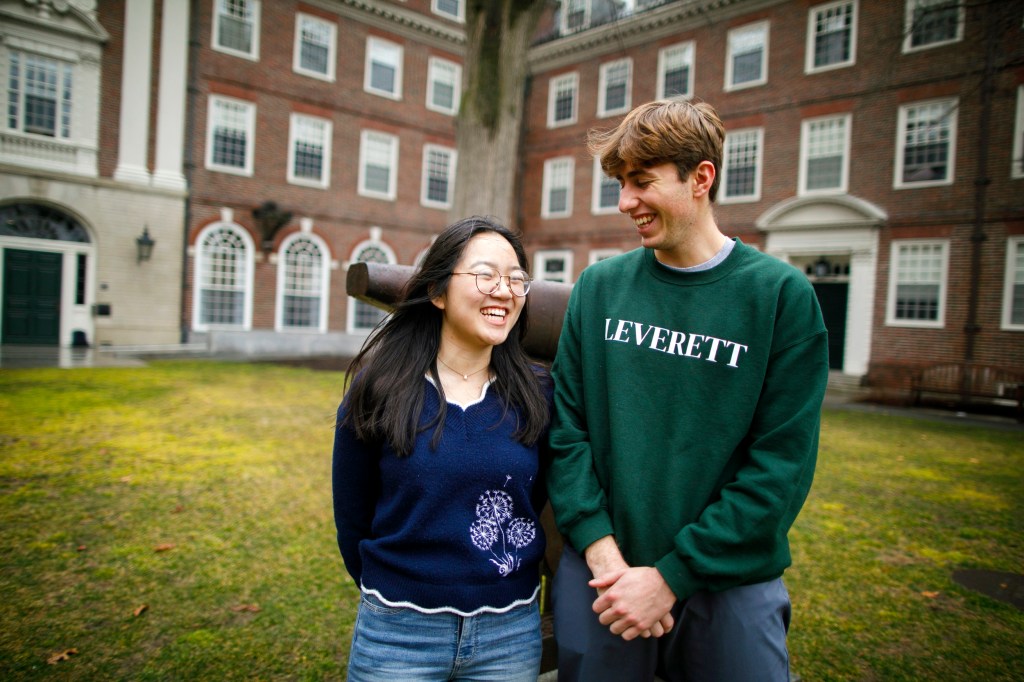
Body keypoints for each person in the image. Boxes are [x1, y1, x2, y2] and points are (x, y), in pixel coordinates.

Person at [547, 99, 829, 681]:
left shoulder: (780, 298)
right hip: (605, 569)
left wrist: (671, 577)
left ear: (701, 178)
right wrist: (605, 556)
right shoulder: (599, 290)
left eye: (642, 182)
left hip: (727, 576)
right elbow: (565, 432)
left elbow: (780, 467)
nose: (626, 202)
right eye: (622, 185)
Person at [332, 216, 553, 682]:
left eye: (516, 279)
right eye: (485, 275)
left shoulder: (537, 394)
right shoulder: (381, 389)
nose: (504, 291)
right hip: (398, 632)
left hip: (508, 633)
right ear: (437, 292)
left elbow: (535, 498)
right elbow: (353, 514)